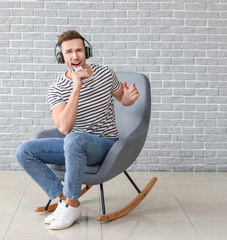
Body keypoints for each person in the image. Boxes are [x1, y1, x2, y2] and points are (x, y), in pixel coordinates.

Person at [16, 30, 139, 230]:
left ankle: (72, 204)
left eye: (79, 50)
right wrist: (76, 87)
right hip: (74, 144)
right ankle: (65, 200)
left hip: (105, 145)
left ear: (86, 52)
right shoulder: (56, 88)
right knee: (25, 151)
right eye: (69, 52)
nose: (75, 56)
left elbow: (121, 98)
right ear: (61, 56)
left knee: (74, 140)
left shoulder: (105, 74)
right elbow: (64, 127)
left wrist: (129, 99)